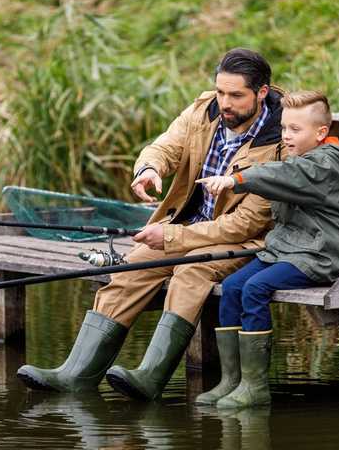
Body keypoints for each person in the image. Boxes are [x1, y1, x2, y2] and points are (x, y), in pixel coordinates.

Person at [17, 48, 285, 400]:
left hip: (242, 241)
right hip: (186, 229)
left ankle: (151, 377)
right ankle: (76, 375)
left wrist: (172, 235)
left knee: (191, 274)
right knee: (131, 268)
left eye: (236, 95)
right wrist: (149, 169)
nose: (225, 103)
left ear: (261, 92)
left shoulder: (280, 141)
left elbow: (247, 223)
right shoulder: (204, 111)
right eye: (221, 92)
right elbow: (165, 146)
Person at [194, 91, 339, 408]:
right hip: (290, 249)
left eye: (295, 130)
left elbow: (283, 175)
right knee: (232, 286)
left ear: (321, 133)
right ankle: (231, 381)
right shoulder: (300, 156)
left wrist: (236, 180)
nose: (286, 136)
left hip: (323, 254)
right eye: (284, 128)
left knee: (256, 287)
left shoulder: (324, 165)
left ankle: (255, 387)